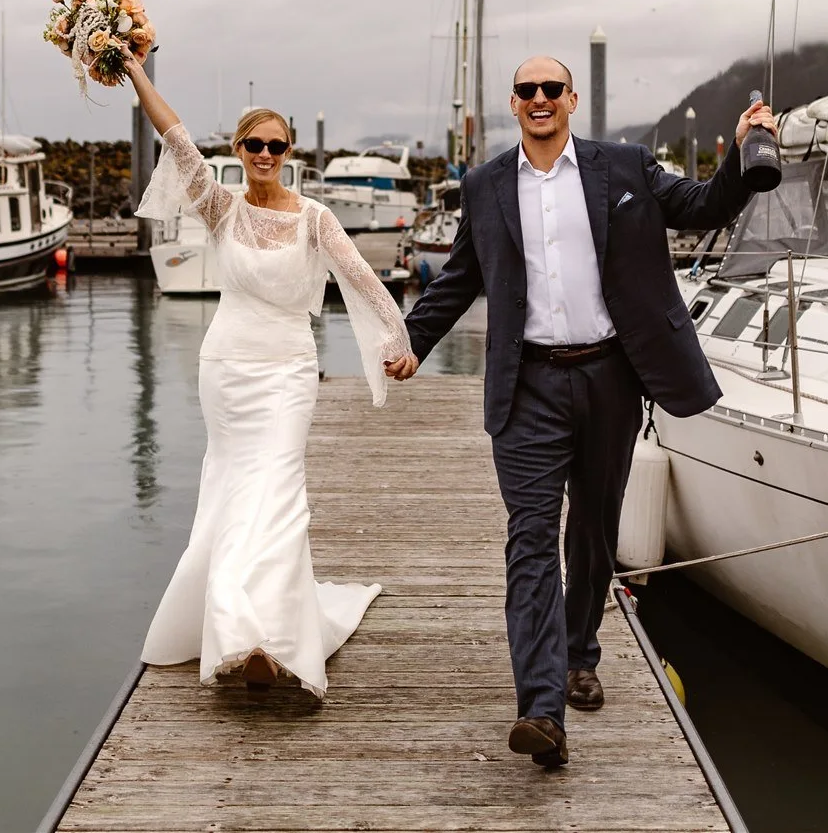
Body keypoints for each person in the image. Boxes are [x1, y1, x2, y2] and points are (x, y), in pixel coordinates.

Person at [404, 56, 776, 767]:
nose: (540, 98)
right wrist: (411, 343)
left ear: (571, 99)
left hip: (610, 375)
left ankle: (581, 653)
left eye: (552, 88)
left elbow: (701, 205)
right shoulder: (484, 186)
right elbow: (461, 277)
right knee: (531, 536)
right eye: (527, 90)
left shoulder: (626, 167)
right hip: (527, 384)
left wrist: (737, 149)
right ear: (513, 104)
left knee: (595, 527)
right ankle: (541, 707)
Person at [126, 51, 420, 697]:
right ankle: (241, 634)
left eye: (276, 145)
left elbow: (364, 282)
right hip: (226, 369)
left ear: (289, 151)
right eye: (254, 144)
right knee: (232, 493)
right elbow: (173, 137)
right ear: (238, 147)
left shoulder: (314, 216)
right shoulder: (219, 206)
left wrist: (400, 340)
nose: (265, 153)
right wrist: (133, 69)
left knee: (279, 493)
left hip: (289, 371)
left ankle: (270, 635)